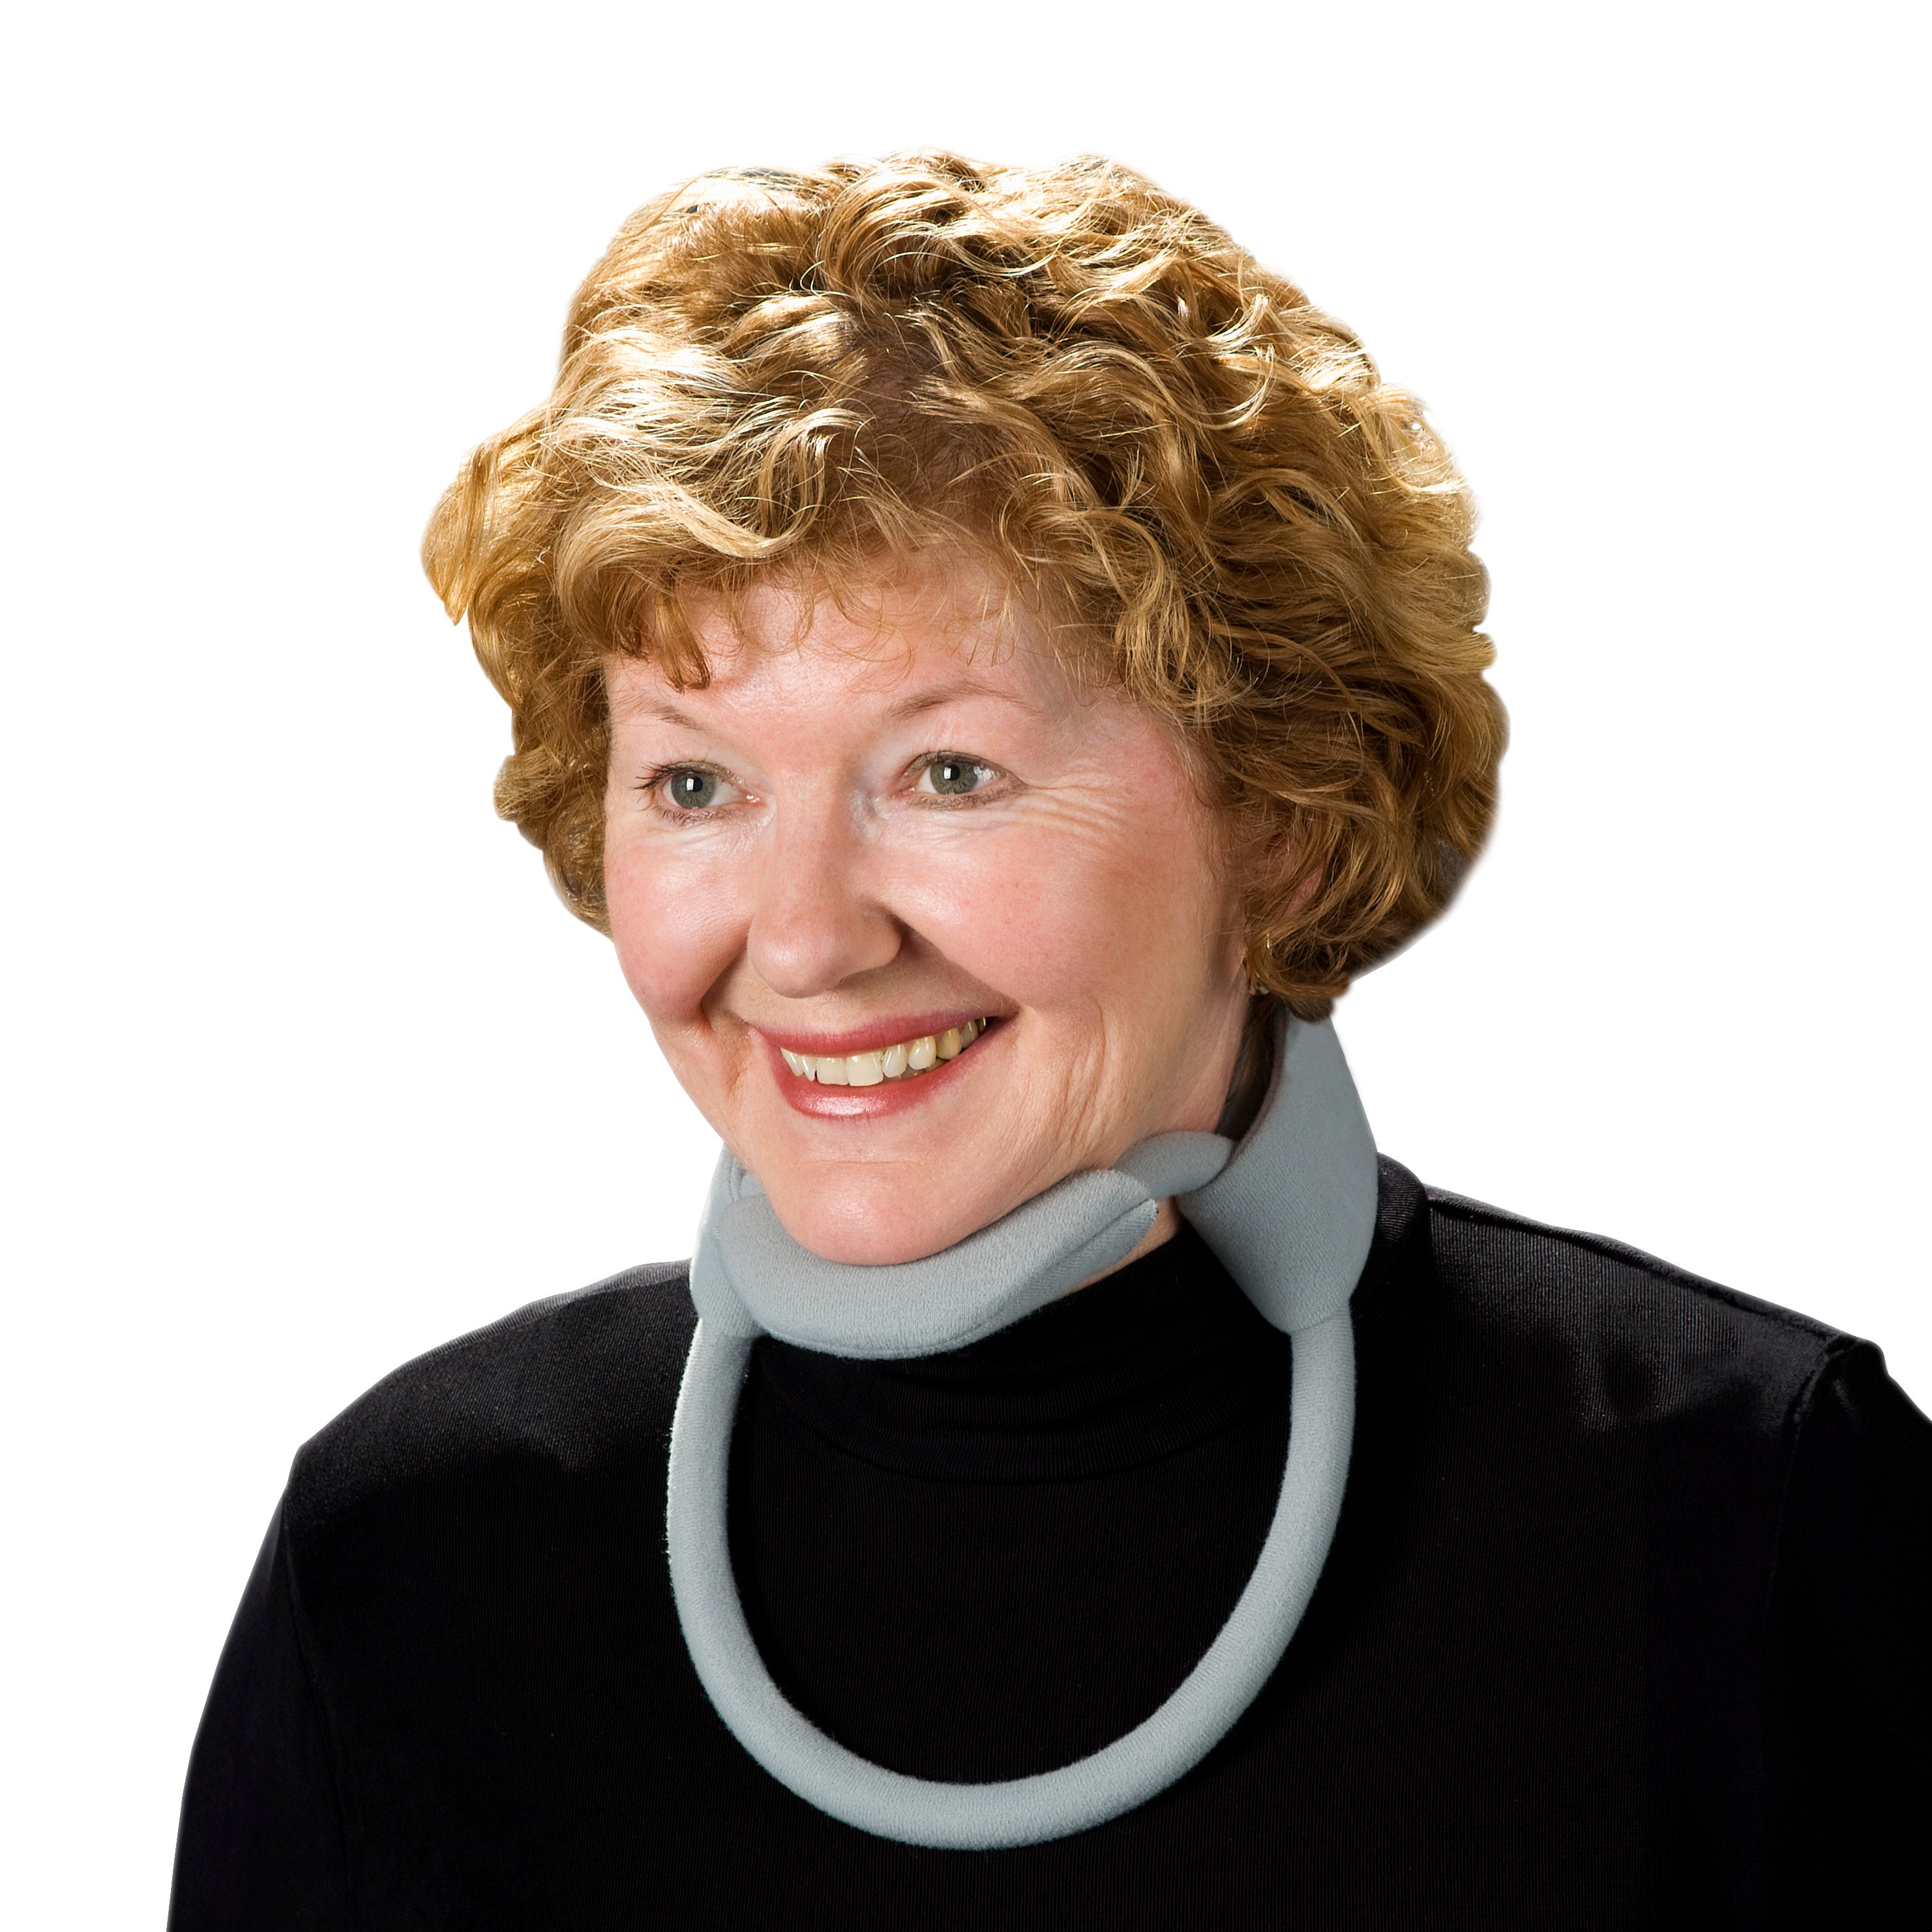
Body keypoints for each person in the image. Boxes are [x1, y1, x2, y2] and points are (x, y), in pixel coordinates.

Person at [168, 153, 1931, 1929]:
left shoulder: (1737, 1511)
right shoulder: (409, 1557)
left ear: (1279, 818)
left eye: (949, 771)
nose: (801, 934)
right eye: (695, 782)